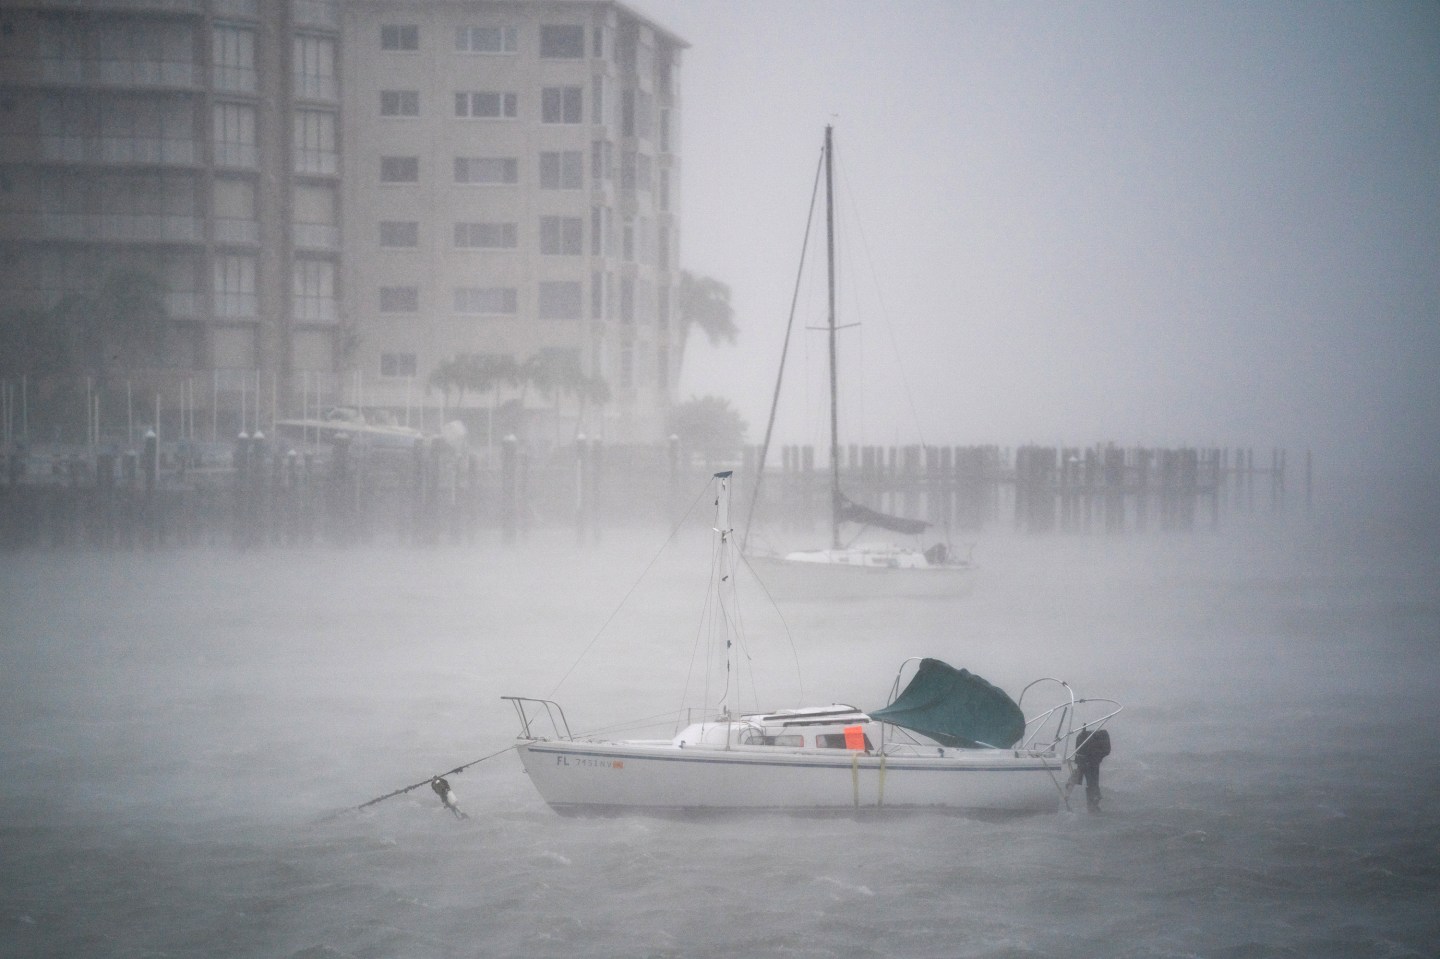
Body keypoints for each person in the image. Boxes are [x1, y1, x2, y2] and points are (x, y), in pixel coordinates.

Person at [1067, 725, 1111, 812]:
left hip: (1085, 758)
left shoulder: (1082, 737)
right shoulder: (1100, 739)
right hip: (1090, 760)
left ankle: (1068, 790)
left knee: (1080, 773)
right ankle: (1092, 805)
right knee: (1092, 782)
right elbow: (1105, 751)